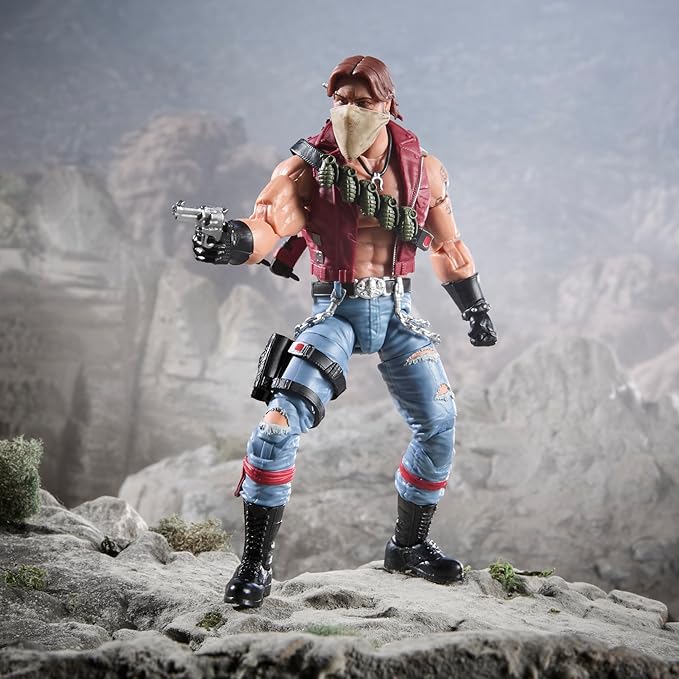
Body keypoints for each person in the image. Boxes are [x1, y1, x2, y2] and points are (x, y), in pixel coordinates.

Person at [192, 55, 497, 608]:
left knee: (440, 423)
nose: (350, 110)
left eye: (363, 101)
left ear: (387, 104)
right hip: (336, 310)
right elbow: (268, 225)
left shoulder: (423, 169)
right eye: (341, 100)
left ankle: (409, 546)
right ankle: (255, 563)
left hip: (399, 311)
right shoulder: (306, 168)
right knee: (276, 429)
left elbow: (448, 245)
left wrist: (474, 308)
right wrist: (232, 241)